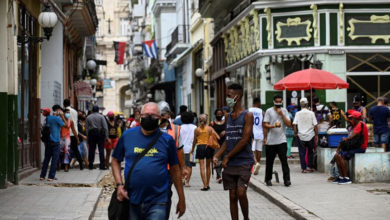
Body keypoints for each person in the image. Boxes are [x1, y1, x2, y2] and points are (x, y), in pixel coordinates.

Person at [111, 102, 185, 219]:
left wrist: (182, 198)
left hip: (159, 200)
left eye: (153, 115)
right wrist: (119, 185)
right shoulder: (127, 135)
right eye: (146, 114)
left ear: (160, 119)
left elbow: (175, 169)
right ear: (140, 115)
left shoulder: (167, 140)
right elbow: (115, 160)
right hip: (131, 198)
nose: (149, 117)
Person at [213, 83, 254, 220]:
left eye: (229, 96)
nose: (227, 99)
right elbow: (228, 139)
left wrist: (227, 157)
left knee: (241, 193)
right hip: (230, 163)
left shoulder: (247, 115)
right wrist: (218, 154)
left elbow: (244, 140)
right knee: (232, 195)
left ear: (238, 96)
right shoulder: (228, 116)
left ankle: (246, 218)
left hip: (244, 161)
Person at [263, 94, 291, 187]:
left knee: (284, 161)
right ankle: (268, 179)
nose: (278, 103)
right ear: (274, 101)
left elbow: (289, 124)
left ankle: (287, 180)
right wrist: (273, 127)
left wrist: (282, 114)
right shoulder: (269, 111)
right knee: (269, 161)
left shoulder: (284, 110)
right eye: (277, 101)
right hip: (271, 141)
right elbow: (265, 124)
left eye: (280, 101)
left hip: (282, 140)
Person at [334, 111, 368, 184]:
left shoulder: (360, 125)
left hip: (360, 148)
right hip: (355, 146)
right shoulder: (356, 125)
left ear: (356, 118)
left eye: (352, 118)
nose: (351, 119)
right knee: (337, 155)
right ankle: (341, 176)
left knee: (341, 156)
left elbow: (350, 137)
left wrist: (343, 140)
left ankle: (346, 178)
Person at [191, 114, 217, 191]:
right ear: (206, 120)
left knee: (202, 167)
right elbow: (217, 136)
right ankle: (208, 184)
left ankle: (204, 185)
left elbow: (194, 141)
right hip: (208, 147)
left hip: (200, 147)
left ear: (199, 121)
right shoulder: (210, 128)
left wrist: (192, 150)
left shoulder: (196, 130)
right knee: (208, 166)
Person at [293, 98, 318, 173]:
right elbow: (315, 125)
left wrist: (296, 133)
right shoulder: (311, 113)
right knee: (310, 152)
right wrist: (316, 134)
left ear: (300, 105)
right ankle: (310, 167)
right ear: (307, 104)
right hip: (310, 135)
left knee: (302, 153)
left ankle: (303, 168)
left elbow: (294, 124)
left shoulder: (298, 113)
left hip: (301, 136)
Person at [40, 106, 65, 181]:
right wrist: (62, 116)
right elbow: (65, 125)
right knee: (54, 160)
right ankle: (51, 176)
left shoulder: (46, 120)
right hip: (56, 142)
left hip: (48, 142)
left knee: (46, 159)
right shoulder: (56, 118)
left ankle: (42, 176)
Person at [86, 105, 109, 170]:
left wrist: (88, 137)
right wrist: (107, 136)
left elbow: (87, 129)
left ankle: (90, 165)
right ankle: (102, 165)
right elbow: (105, 127)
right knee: (101, 150)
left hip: (91, 134)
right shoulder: (101, 117)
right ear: (98, 110)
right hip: (100, 134)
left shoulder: (88, 117)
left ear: (92, 110)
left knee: (91, 150)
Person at [63, 99, 84, 170]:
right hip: (74, 132)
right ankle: (81, 164)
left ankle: (66, 166)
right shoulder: (75, 111)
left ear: (64, 104)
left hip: (67, 133)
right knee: (75, 150)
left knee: (66, 150)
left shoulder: (64, 111)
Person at [179, 111, 197, 187]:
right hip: (191, 150)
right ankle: (187, 182)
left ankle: (182, 179)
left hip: (181, 149)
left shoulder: (180, 127)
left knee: (182, 165)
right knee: (189, 166)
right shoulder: (195, 127)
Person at [210, 108, 226, 183]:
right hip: (216, 144)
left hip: (225, 144)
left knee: (225, 159)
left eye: (220, 114)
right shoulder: (212, 123)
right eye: (218, 114)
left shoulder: (226, 123)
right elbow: (209, 132)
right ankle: (218, 175)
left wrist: (225, 131)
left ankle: (225, 174)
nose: (219, 115)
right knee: (217, 160)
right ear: (215, 115)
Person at [248, 98, 264, 175]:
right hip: (260, 133)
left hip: (252, 133)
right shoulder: (262, 112)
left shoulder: (249, 110)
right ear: (258, 103)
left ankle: (255, 164)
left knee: (252, 150)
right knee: (259, 151)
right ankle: (256, 164)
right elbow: (264, 124)